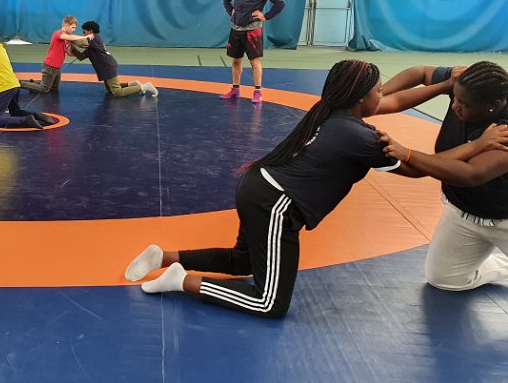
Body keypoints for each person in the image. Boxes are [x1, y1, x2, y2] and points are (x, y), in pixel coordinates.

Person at [124, 60, 464, 319]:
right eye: (378, 90)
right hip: (275, 203)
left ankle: (163, 257)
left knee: (243, 260)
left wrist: (444, 87)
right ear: (361, 97)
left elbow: (394, 100)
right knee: (269, 303)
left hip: (258, 187)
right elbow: (418, 170)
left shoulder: (331, 112)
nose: (382, 95)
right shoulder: (361, 138)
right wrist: (475, 148)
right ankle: (181, 280)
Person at [381, 61, 508, 292]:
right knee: (443, 278)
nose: (454, 106)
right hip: (463, 212)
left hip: (504, 220)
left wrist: (407, 154)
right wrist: (379, 94)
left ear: (494, 106)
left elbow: (470, 174)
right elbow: (419, 72)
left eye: (464, 104)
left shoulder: (503, 132)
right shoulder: (467, 84)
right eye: (454, 98)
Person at [220, 0, 285, 104]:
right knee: (236, 61)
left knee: (254, 62)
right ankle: (235, 90)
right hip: (236, 29)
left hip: (252, 31)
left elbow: (280, 2)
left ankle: (257, 92)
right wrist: (231, 11)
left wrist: (265, 16)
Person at [71, 21, 158, 98]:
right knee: (110, 89)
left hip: (107, 66)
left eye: (84, 32)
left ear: (90, 31)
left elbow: (79, 42)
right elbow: (81, 56)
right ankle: (133, 84)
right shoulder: (91, 45)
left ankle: (145, 87)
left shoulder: (93, 38)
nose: (83, 34)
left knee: (117, 92)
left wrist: (67, 37)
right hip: (105, 66)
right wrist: (71, 48)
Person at [20, 15, 90, 94]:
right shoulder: (58, 33)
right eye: (73, 27)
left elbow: (69, 53)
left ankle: (33, 83)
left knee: (54, 88)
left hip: (57, 67)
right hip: (50, 66)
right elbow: (70, 37)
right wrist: (85, 37)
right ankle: (19, 84)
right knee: (44, 89)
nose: (74, 30)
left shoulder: (66, 39)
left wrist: (84, 54)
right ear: (66, 25)